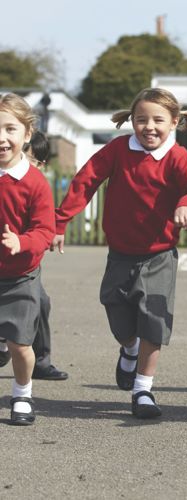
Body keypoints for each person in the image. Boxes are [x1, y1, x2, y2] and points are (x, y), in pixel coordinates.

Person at [51, 88, 187, 419]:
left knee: (154, 320)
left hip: (159, 255)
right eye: (141, 119)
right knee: (119, 318)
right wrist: (60, 221)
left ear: (174, 122)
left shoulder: (177, 157)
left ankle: (143, 390)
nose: (149, 127)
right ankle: (129, 350)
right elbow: (85, 181)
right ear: (131, 121)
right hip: (121, 254)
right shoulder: (118, 150)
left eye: (158, 120)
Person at [0, 93, 56, 425]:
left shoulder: (35, 182)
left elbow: (44, 230)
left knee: (21, 344)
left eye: (9, 128)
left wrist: (21, 241)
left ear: (26, 134)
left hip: (20, 277)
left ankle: (22, 394)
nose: (1, 138)